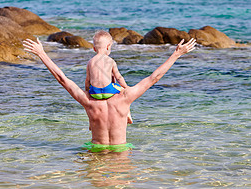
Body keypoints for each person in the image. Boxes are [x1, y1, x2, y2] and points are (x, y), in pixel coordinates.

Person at [23, 35, 196, 152]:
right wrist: (176, 54)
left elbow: (62, 79)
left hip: (96, 151)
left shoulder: (88, 101)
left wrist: (42, 53)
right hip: (121, 152)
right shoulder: (125, 98)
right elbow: (154, 78)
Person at [85, 30, 132, 124]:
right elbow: (119, 77)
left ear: (94, 48)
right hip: (108, 90)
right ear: (108, 46)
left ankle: (91, 122)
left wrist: (87, 91)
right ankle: (128, 114)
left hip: (95, 93)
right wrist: (126, 88)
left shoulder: (90, 62)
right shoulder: (110, 61)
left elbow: (88, 80)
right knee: (124, 93)